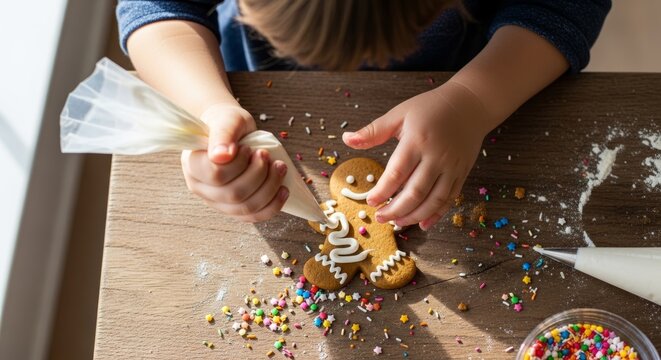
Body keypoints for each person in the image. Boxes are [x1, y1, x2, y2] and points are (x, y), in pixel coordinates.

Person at [117, 0, 610, 229]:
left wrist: (475, 100)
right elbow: (156, 7)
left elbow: (564, 7)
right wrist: (205, 109)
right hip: (249, 88)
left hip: (484, 71)